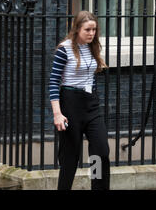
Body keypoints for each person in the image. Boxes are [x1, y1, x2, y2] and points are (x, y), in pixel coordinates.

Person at [49, 11, 110, 190]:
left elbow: (91, 76)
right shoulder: (64, 49)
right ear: (77, 29)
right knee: (70, 157)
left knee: (100, 152)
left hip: (91, 104)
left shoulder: (93, 47)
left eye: (94, 30)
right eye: (87, 30)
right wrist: (57, 114)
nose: (91, 33)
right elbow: (54, 81)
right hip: (70, 104)